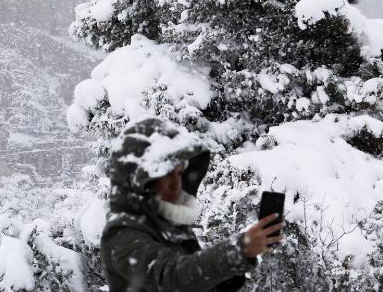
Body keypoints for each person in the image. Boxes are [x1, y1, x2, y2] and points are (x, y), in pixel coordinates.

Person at [100, 117, 284, 292]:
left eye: (179, 173)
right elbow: (170, 279)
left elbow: (194, 281)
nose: (176, 184)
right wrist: (237, 250)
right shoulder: (122, 233)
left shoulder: (169, 225)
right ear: (140, 180)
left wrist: (241, 258)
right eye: (166, 174)